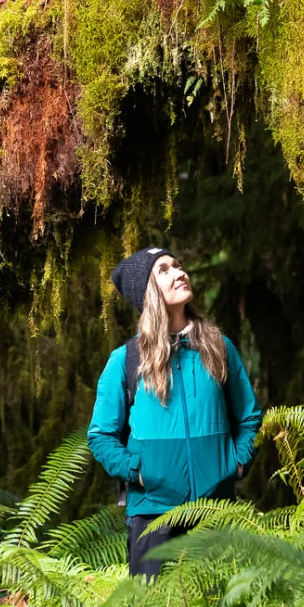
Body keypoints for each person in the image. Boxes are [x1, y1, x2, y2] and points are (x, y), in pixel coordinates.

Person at [87, 247, 262, 578]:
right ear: (148, 292)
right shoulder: (126, 360)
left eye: (178, 266)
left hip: (215, 508)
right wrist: (138, 471)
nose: (180, 273)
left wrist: (235, 464)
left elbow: (249, 416)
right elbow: (101, 435)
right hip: (152, 514)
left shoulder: (218, 347)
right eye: (164, 270)